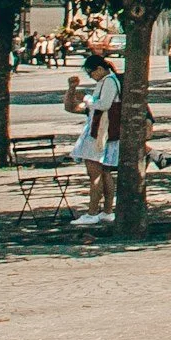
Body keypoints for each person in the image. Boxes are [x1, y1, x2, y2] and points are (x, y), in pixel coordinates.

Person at [69, 50, 122, 228]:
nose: (91, 77)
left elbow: (104, 104)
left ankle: (92, 212)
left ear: (99, 69)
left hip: (99, 132)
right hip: (103, 132)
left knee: (95, 175)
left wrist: (86, 98)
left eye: (91, 73)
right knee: (105, 173)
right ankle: (106, 210)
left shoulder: (108, 81)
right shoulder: (110, 80)